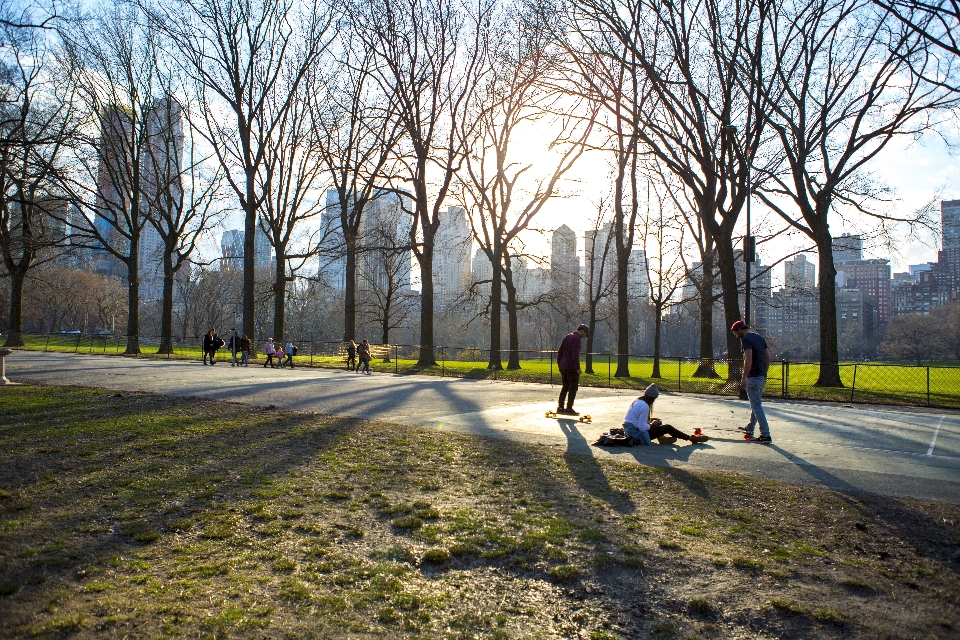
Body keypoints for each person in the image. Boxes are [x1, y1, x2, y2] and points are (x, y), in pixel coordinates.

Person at [622, 384, 709, 445]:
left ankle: (663, 439)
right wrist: (652, 425)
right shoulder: (645, 406)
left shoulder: (637, 401)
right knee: (667, 427)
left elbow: (636, 419)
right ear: (652, 398)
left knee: (659, 422)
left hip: (629, 431)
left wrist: (651, 420)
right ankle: (691, 438)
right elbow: (642, 427)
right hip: (637, 435)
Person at [732, 320, 772, 443]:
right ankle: (750, 427)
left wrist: (744, 377)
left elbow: (748, 358)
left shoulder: (746, 339)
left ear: (739, 330)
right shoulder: (759, 338)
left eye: (735, 333)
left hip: (752, 377)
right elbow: (768, 357)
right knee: (756, 404)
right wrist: (764, 372)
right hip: (761, 375)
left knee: (757, 406)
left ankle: (765, 435)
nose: (736, 335)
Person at [556, 324, 589, 415]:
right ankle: (569, 408)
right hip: (571, 366)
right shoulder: (576, 339)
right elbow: (575, 355)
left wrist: (559, 363)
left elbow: (560, 351)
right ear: (582, 331)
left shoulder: (567, 337)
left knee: (565, 386)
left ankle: (560, 407)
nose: (584, 337)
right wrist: (578, 367)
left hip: (563, 366)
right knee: (573, 387)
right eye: (585, 334)